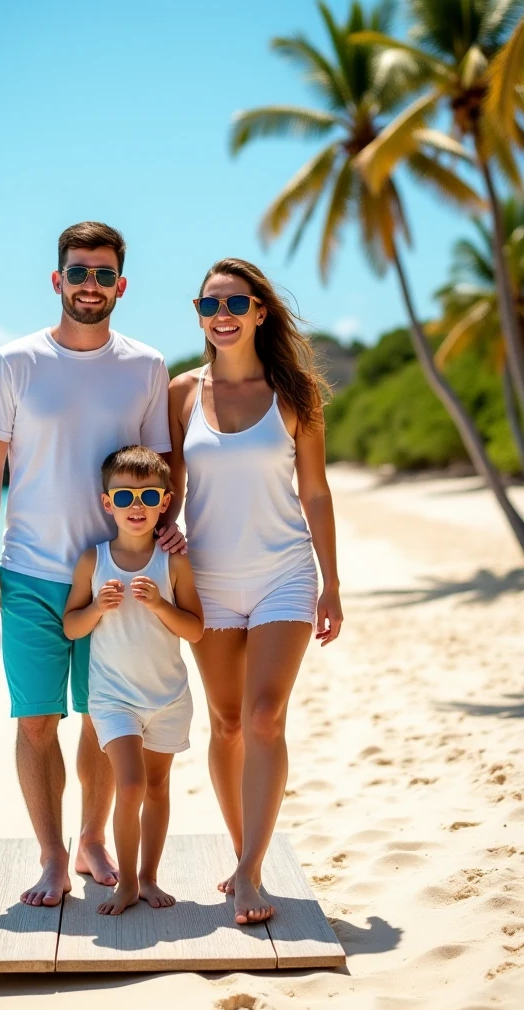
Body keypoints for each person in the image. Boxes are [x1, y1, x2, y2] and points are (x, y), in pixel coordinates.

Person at [0, 222, 185, 908]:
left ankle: (92, 839)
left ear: (121, 285)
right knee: (36, 721)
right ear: (57, 280)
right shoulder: (15, 361)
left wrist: (168, 531)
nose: (90, 283)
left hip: (112, 576)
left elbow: (161, 466)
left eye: (102, 273)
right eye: (78, 271)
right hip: (30, 572)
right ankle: (52, 857)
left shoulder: (146, 366)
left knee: (101, 718)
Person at [166, 258, 343, 926]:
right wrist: (152, 551)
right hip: (208, 581)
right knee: (228, 722)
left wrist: (332, 583)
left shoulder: (295, 392)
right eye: (208, 307)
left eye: (234, 303)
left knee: (265, 715)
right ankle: (246, 853)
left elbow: (316, 491)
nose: (222, 316)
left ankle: (247, 873)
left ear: (260, 311)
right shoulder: (182, 393)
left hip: (283, 575)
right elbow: (172, 489)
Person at [63, 446, 203, 916]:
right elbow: (71, 626)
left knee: (158, 787)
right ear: (108, 504)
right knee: (130, 785)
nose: (136, 506)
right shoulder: (93, 560)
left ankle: (148, 877)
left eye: (148, 496)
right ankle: (124, 882)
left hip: (167, 698)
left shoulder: (174, 563)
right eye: (124, 497)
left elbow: (195, 628)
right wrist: (96, 607)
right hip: (113, 698)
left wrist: (162, 606)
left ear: (166, 501)